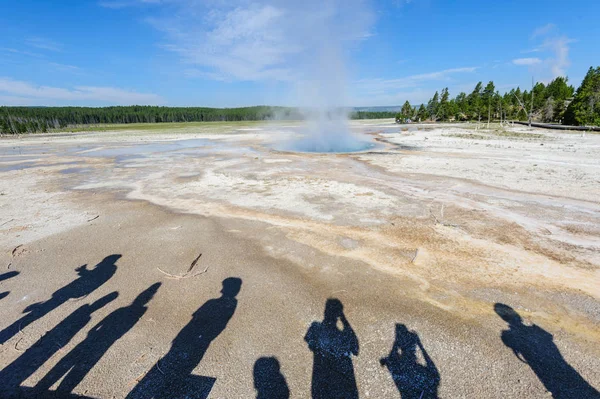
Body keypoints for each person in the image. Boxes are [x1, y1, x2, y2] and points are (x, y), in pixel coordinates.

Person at [305, 298, 359, 399]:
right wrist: (343, 319)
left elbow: (308, 340)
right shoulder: (316, 326)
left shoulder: (316, 326)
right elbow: (355, 349)